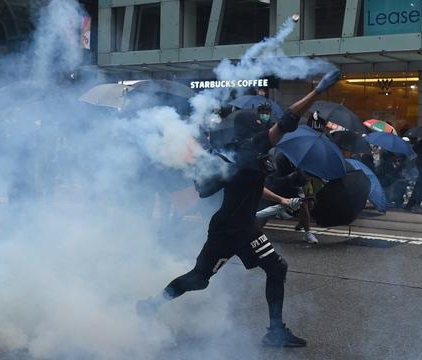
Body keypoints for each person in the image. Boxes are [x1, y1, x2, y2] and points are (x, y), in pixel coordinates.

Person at [137, 69, 341, 348]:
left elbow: (250, 187)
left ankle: (151, 305)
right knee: (269, 269)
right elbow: (289, 120)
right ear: (252, 131)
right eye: (261, 125)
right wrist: (317, 92)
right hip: (236, 228)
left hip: (233, 226)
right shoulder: (252, 147)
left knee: (203, 278)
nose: (266, 130)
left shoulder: (238, 156)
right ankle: (275, 332)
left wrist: (283, 198)